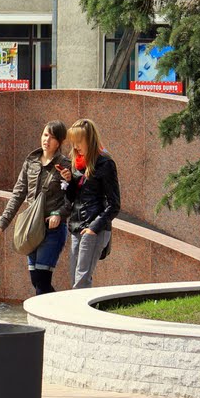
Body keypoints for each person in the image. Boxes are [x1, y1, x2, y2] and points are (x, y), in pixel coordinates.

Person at [0, 121, 72, 296]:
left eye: (52, 137)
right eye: (44, 135)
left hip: (52, 229)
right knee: (36, 281)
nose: (46, 140)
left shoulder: (65, 165)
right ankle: (61, 311)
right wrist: (1, 224)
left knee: (42, 281)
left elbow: (72, 199)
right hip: (31, 229)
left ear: (60, 142)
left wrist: (59, 214)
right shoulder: (31, 162)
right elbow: (18, 194)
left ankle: (53, 317)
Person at [58, 118, 121, 289]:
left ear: (90, 140)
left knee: (81, 280)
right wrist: (70, 182)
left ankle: (78, 316)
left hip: (94, 227)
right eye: (73, 142)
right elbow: (71, 200)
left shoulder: (105, 163)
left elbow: (114, 204)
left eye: (79, 142)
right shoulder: (76, 165)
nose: (75, 146)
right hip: (76, 226)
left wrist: (94, 228)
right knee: (74, 278)